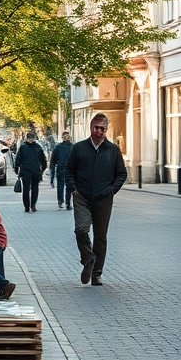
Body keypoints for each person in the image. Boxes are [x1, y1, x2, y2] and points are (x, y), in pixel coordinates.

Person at [63, 113, 127, 286]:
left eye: (103, 129)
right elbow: (69, 170)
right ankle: (88, 258)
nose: (99, 131)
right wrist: (73, 189)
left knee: (100, 236)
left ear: (107, 129)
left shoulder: (112, 150)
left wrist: (111, 191)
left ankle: (96, 273)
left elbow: (122, 174)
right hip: (82, 196)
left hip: (103, 198)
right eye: (96, 128)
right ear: (91, 127)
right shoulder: (79, 148)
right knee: (81, 230)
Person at [13, 131, 47, 212]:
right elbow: (43, 160)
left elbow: (18, 160)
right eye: (31, 138)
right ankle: (33, 205)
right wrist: (42, 169)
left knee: (26, 189)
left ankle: (27, 206)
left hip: (26, 171)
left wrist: (17, 169)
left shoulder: (23, 147)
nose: (31, 140)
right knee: (34, 188)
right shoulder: (38, 147)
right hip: (35, 171)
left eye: (31, 138)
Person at [49, 131, 74, 210]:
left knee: (65, 186)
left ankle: (64, 202)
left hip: (65, 168)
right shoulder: (71, 147)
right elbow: (53, 159)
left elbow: (53, 159)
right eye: (65, 136)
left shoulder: (69, 147)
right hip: (65, 169)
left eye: (67, 136)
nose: (66, 138)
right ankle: (64, 202)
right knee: (65, 186)